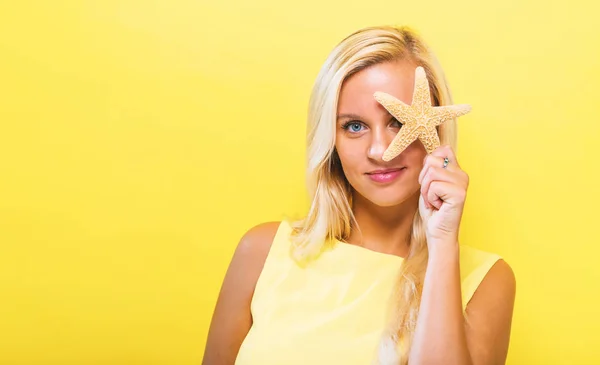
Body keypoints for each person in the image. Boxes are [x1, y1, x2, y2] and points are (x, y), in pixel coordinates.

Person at [202, 25, 516, 365]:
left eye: (397, 121)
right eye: (354, 126)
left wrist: (441, 244)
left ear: (437, 128)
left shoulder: (486, 281)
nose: (380, 151)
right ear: (330, 140)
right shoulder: (262, 252)